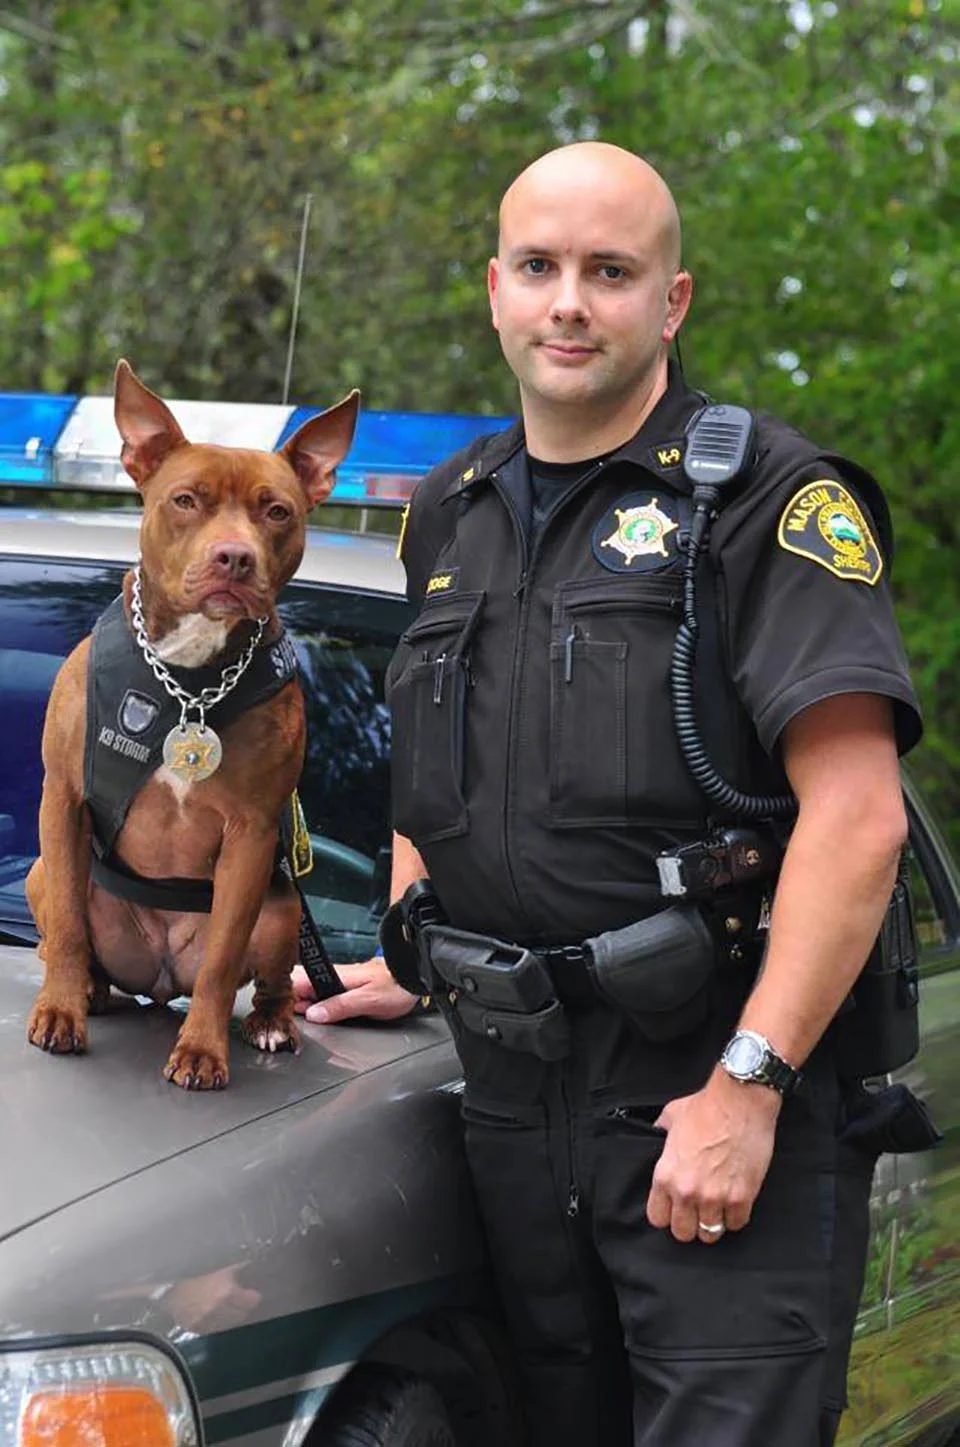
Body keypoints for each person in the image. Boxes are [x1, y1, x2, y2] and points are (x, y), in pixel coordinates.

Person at [294, 142, 923, 1446]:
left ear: (673, 302)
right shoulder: (448, 514)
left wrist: (751, 1084)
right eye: (540, 267)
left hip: (707, 1088)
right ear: (495, 290)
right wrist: (416, 938)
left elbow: (858, 816)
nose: (569, 302)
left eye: (609, 271)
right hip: (516, 1106)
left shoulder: (767, 503)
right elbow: (437, 764)